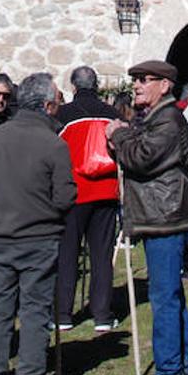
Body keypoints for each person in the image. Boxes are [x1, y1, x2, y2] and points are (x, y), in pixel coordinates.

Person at [107, 60, 188, 375]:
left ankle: (169, 374)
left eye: (144, 80)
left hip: (165, 216)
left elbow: (142, 157)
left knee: (164, 298)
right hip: (160, 213)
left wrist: (117, 134)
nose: (136, 85)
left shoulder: (167, 119)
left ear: (164, 85)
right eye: (134, 79)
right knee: (170, 294)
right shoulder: (155, 117)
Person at [0, 73, 76, 375]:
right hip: (40, 239)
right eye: (56, 102)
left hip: (1, 236)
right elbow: (64, 198)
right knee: (34, 313)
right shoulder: (55, 144)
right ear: (47, 105)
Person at [54, 65, 121, 332]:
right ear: (97, 85)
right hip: (105, 191)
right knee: (101, 254)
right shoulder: (112, 114)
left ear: (73, 86)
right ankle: (102, 314)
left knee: (67, 253)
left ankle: (62, 314)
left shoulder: (63, 115)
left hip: (74, 193)